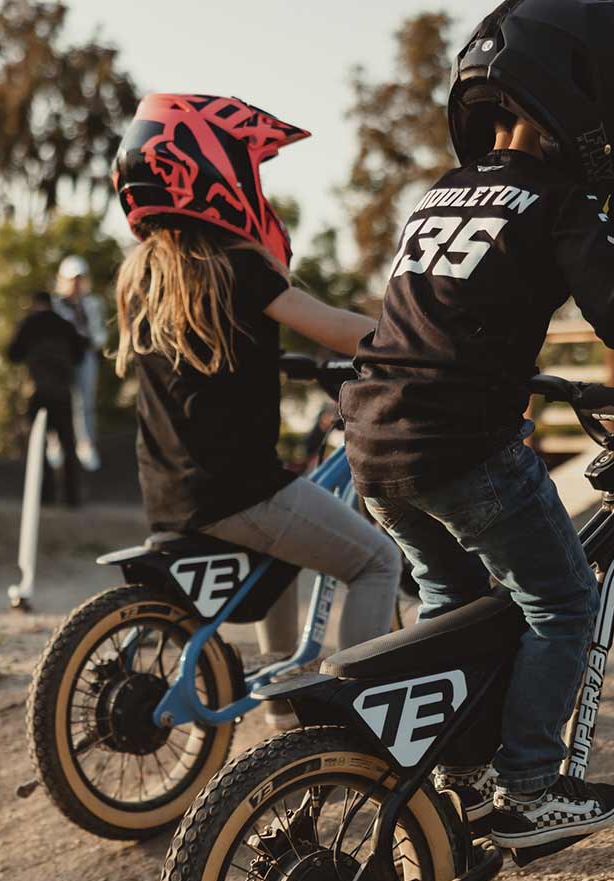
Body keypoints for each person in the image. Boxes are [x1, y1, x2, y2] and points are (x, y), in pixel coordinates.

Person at [338, 0, 614, 849]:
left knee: (454, 600)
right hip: (460, 447)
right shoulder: (556, 199)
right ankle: (526, 787)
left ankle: (456, 773)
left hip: (374, 441)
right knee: (563, 602)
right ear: (577, 103)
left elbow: (448, 318)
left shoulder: (439, 194)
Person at [110, 92, 402, 723]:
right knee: (378, 562)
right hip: (241, 493)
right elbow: (329, 324)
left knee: (288, 558)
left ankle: (284, 717)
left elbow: (208, 361)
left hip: (168, 496)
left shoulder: (144, 274)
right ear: (213, 171)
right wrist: (417, 344)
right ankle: (355, 720)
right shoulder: (239, 266)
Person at [6, 291, 88, 507]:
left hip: (37, 392)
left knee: (37, 446)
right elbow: (81, 353)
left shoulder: (28, 324)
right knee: (68, 445)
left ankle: (45, 495)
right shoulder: (64, 325)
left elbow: (13, 354)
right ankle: (72, 498)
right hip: (63, 392)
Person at [52, 256, 108, 472]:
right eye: (72, 279)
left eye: (79, 278)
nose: (75, 283)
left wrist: (90, 340)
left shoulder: (92, 303)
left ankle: (86, 446)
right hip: (62, 359)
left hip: (85, 356)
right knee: (60, 402)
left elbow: (100, 333)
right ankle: (56, 447)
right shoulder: (56, 305)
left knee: (85, 404)